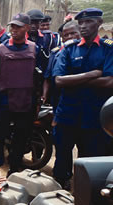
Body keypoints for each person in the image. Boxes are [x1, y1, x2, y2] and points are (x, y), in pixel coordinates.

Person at [51, 8, 113, 190]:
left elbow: (110, 81)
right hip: (67, 114)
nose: (84, 26)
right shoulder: (69, 49)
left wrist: (75, 79)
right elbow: (59, 80)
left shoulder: (108, 49)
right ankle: (60, 190)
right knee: (62, 156)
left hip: (95, 117)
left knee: (90, 160)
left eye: (89, 22)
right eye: (81, 23)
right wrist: (93, 74)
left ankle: (85, 194)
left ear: (99, 23)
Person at [0, 13, 40, 177]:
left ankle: (14, 168)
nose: (14, 30)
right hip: (4, 101)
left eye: (18, 26)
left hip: (26, 101)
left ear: (27, 28)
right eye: (12, 26)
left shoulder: (34, 49)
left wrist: (37, 102)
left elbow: (38, 77)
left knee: (21, 137)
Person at [42, 21, 80, 112]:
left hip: (79, 96)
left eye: (73, 33)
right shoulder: (55, 53)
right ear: (62, 38)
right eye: (66, 35)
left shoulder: (88, 52)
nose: (70, 37)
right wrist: (44, 96)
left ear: (80, 33)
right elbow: (48, 78)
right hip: (58, 96)